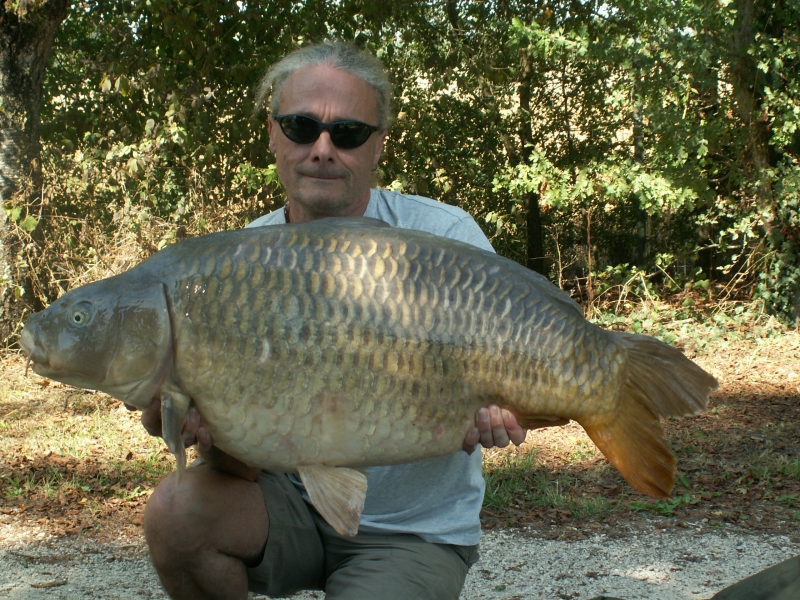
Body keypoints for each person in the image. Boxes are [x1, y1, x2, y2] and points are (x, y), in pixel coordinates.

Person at [139, 41, 537, 600]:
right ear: (273, 134)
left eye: (347, 133)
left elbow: (520, 376)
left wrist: (510, 407)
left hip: (411, 535)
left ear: (377, 147)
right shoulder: (236, 264)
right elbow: (241, 468)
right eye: (301, 127)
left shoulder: (443, 241)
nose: (322, 148)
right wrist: (205, 429)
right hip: (286, 508)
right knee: (178, 512)